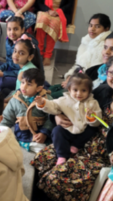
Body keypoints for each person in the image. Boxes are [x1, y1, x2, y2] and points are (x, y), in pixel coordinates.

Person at [31, 58, 113, 200]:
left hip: (99, 153)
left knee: (57, 179)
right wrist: (57, 116)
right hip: (78, 136)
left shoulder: (94, 97)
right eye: (112, 73)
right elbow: (66, 105)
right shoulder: (103, 91)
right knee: (42, 159)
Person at [34, 68, 101, 165]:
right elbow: (52, 106)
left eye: (83, 90)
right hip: (69, 129)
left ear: (89, 91)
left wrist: (92, 117)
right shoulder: (64, 100)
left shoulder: (93, 103)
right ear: (69, 89)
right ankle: (62, 155)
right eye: (75, 90)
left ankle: (76, 145)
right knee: (57, 131)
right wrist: (42, 103)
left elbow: (98, 118)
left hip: (84, 131)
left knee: (92, 129)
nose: (79, 93)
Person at [49, 14, 111, 98]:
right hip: (76, 79)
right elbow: (77, 65)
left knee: (51, 96)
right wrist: (69, 77)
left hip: (83, 86)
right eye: (90, 25)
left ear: (106, 29)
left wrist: (72, 82)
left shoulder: (102, 47)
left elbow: (90, 76)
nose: (92, 29)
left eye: (97, 26)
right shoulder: (86, 41)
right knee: (50, 89)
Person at [0, 16, 42, 96]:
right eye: (9, 29)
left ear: (22, 30)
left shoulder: (25, 45)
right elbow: (9, 62)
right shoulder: (9, 41)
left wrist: (3, 74)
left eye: (16, 29)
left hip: (18, 75)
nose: (12, 32)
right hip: (10, 69)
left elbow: (21, 72)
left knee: (1, 81)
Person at [1, 68, 53, 153]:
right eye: (22, 82)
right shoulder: (15, 100)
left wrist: (44, 132)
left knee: (49, 150)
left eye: (29, 84)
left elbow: (51, 118)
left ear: (39, 88)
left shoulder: (46, 99)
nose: (23, 87)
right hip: (22, 136)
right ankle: (26, 143)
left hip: (40, 135)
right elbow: (7, 118)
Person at [35, 0, 75, 65]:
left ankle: (48, 55)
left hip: (60, 13)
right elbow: (38, 2)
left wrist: (57, 12)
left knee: (54, 23)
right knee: (42, 20)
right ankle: (39, 53)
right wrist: (48, 11)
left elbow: (70, 3)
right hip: (45, 11)